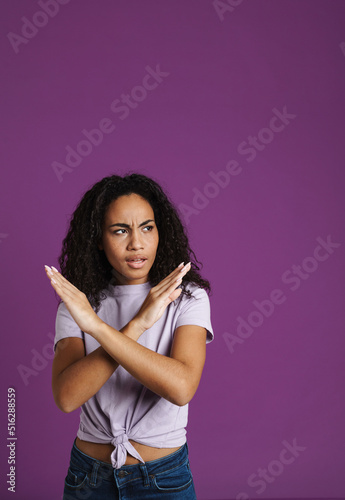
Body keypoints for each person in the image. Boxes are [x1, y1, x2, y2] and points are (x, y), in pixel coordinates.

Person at [44, 172, 214, 499]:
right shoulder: (79, 306)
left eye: (147, 228)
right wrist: (134, 324)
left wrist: (98, 328)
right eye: (120, 230)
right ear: (98, 239)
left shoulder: (188, 297)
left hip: (163, 478)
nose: (136, 243)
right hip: (89, 479)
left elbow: (180, 388)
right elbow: (66, 397)